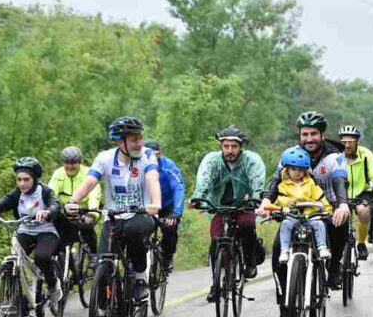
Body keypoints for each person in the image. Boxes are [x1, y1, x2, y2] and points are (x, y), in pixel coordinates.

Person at [258, 111, 350, 317]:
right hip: (295, 209)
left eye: (314, 134)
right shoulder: (291, 155)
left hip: (326, 204)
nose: (309, 139)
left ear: (322, 134)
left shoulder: (334, 155)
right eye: (305, 134)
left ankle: (334, 268)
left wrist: (343, 205)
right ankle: (285, 308)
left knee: (341, 223)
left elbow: (339, 183)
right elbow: (275, 181)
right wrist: (265, 201)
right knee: (279, 253)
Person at [65, 116, 161, 303]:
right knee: (103, 264)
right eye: (134, 139)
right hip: (114, 218)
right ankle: (104, 315)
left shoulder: (147, 155)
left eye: (140, 137)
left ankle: (140, 278)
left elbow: (152, 178)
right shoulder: (105, 158)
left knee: (135, 230)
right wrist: (73, 201)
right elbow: (91, 181)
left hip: (142, 213)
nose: (140, 143)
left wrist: (155, 202)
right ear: (119, 141)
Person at [191, 125, 266, 303]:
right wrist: (197, 198)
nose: (230, 150)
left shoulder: (251, 160)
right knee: (216, 241)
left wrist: (257, 199)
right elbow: (204, 180)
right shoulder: (212, 160)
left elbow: (257, 182)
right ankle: (216, 284)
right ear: (221, 146)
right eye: (226, 146)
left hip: (244, 204)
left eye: (234, 146)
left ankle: (250, 260)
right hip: (219, 205)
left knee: (247, 226)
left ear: (241, 147)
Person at [0, 157, 62, 303]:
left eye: (26, 179)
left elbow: (55, 204)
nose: (22, 184)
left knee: (41, 257)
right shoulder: (16, 194)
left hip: (46, 231)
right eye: (19, 179)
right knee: (13, 258)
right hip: (25, 231)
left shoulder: (45, 191)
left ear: (35, 179)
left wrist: (48, 212)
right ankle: (11, 299)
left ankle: (53, 284)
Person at [274, 146, 332, 262]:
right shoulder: (283, 185)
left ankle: (322, 247)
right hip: (293, 216)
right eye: (293, 169)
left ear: (305, 170)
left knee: (319, 224)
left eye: (301, 169)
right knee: (285, 224)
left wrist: (327, 210)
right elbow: (280, 199)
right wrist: (288, 202)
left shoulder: (310, 183)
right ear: (287, 169)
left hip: (310, 215)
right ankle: (284, 250)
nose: (297, 172)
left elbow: (320, 196)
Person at [338, 125, 373, 260]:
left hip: (361, 192)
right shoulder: (336, 156)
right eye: (344, 142)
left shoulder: (366, 155)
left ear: (356, 142)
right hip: (341, 192)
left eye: (350, 142)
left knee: (364, 212)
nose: (346, 146)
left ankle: (361, 242)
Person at [48, 146, 101, 254]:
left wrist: (92, 213)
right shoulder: (58, 174)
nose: (70, 166)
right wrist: (51, 209)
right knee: (56, 231)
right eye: (67, 163)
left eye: (74, 163)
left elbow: (94, 194)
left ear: (79, 162)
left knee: (87, 229)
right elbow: (50, 193)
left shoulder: (88, 173)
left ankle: (93, 256)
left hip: (85, 209)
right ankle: (59, 257)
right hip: (65, 209)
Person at [144, 140, 185, 273]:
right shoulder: (137, 166)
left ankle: (167, 257)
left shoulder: (168, 166)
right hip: (147, 206)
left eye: (153, 155)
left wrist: (177, 212)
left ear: (159, 154)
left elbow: (178, 188)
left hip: (166, 206)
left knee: (170, 228)